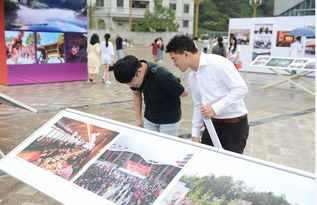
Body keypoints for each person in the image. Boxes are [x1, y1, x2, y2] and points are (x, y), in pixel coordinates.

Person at [166, 35, 249, 154]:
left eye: (174, 59)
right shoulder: (192, 76)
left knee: (229, 168)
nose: (174, 64)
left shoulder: (218, 63)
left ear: (185, 54)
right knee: (206, 163)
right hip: (211, 126)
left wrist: (215, 109)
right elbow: (198, 105)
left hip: (234, 126)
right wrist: (195, 134)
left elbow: (241, 89)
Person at [113, 55, 189, 137]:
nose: (131, 85)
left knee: (166, 147)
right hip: (150, 118)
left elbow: (184, 93)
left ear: (139, 72)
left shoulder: (162, 76)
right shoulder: (132, 74)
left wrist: (173, 84)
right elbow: (136, 94)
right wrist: (138, 118)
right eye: (127, 84)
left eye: (131, 82)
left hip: (169, 120)